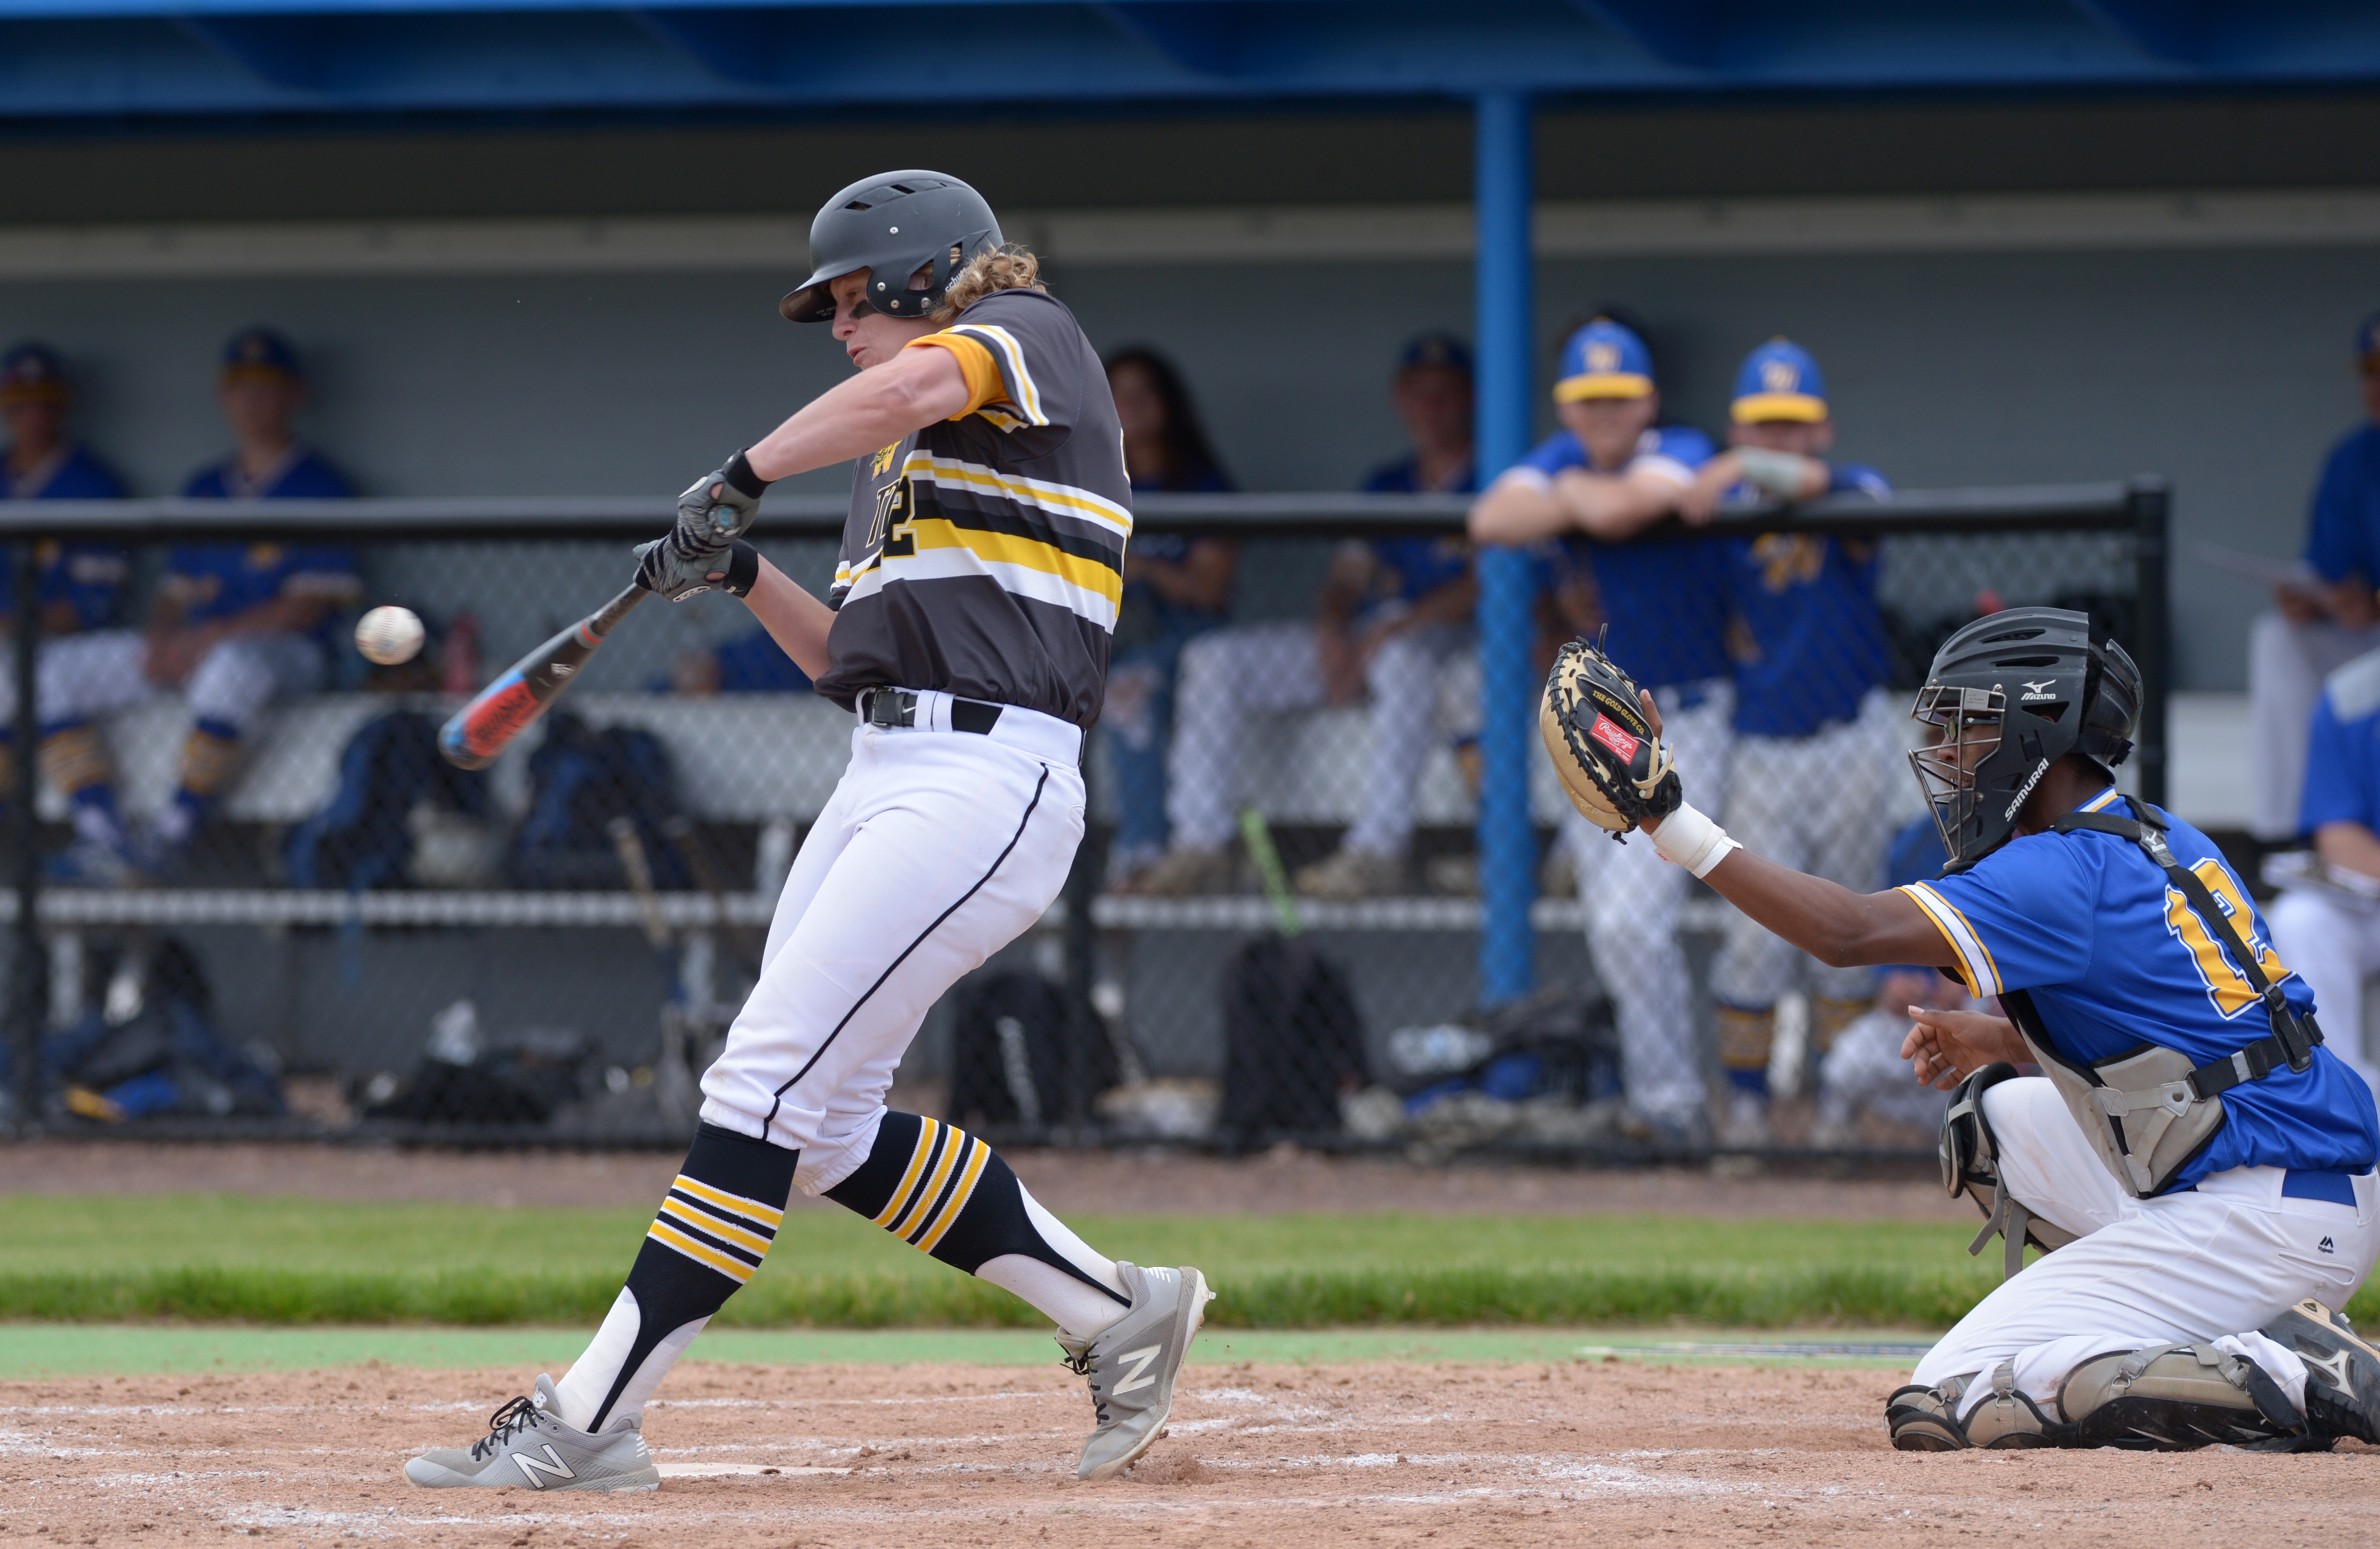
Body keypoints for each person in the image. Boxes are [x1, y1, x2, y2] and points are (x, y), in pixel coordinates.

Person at [403, 170, 1208, 1494]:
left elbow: (899, 388)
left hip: (986, 777)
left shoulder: (1029, 336)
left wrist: (741, 473)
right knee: (822, 1128)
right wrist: (736, 567)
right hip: (888, 761)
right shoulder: (903, 460)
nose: (837, 326)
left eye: (848, 299)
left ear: (921, 274)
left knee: (757, 1087)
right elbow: (846, 658)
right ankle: (1115, 1309)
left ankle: (589, 1418)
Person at [1622, 605, 2380, 1451]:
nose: (1948, 757)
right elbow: (2195, 1039)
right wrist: (1998, 1040)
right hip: (2305, 1184)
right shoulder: (2157, 833)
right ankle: (2217, 1314)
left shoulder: (2054, 868)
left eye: (1971, 729)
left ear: (2036, 733)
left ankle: (2288, 1366)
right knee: (1998, 1119)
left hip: (2256, 1214)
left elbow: (1847, 935)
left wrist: (1673, 825)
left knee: (1951, 1396)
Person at [1468, 315, 1723, 1146]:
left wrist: (1568, 502)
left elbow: (1629, 510)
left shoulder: (1681, 444)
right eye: (1589, 401)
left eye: (1620, 399)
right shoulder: (1558, 461)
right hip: (1596, 724)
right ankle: (1658, 1101)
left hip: (1690, 714)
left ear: (1647, 400)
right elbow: (1490, 520)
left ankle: (1675, 1104)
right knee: (1612, 923)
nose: (1606, 415)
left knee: (1631, 920)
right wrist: (1571, 495)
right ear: (1567, 407)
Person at [1137, 335, 1476, 899]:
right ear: (1400, 399)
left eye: (1444, 394)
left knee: (1403, 661)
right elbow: (1346, 578)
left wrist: (1399, 626)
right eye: (1418, 393)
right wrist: (1332, 632)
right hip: (1369, 645)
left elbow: (1488, 583)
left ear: (1469, 399)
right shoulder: (1388, 484)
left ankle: (1376, 851)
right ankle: (1201, 843)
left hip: (1448, 652)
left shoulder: (1492, 475)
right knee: (1213, 659)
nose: (1430, 407)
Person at [27, 329, 361, 879]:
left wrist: (206, 640)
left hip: (289, 654)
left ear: (294, 396)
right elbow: (174, 593)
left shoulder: (321, 484)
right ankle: (103, 832)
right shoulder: (207, 486)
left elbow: (306, 608)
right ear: (223, 397)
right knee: (51, 671)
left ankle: (173, 832)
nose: (251, 402)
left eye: (266, 388)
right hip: (194, 646)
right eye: (240, 388)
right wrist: (162, 638)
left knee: (231, 670)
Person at [1677, 337, 1896, 1145]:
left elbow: (1827, 492)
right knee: (1753, 936)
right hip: (1759, 744)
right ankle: (1747, 1108)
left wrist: (1735, 464)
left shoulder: (1854, 488)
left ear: (1823, 430)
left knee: (1851, 921)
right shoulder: (1721, 516)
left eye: (1794, 425)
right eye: (1763, 425)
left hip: (1851, 734)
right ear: (1739, 424)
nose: (1780, 440)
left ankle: (1839, 1105)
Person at [1100, 346, 1237, 890]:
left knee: (1129, 692)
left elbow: (1211, 589)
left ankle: (1144, 852)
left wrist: (1147, 570)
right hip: (1107, 638)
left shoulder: (1200, 484)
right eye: (1119, 393)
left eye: (1144, 392)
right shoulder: (1086, 483)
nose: (1131, 405)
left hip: (1184, 638)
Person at [2248, 313, 2380, 842]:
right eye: (2369, 370)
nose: (2375, 385)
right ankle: (2288, 835)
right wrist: (2312, 598)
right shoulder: (2353, 459)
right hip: (2366, 638)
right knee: (2277, 637)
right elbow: (2328, 567)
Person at [0, 343, 136, 846]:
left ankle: (102, 834)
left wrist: (13, 628)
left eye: (46, 404)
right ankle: (98, 832)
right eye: (20, 404)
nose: (33, 416)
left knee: (30, 675)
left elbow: (86, 608)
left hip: (75, 651)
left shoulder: (94, 485)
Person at [2264, 645, 2380, 1097]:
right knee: (2303, 918)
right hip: (2372, 900)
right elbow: (2339, 839)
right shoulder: (2353, 695)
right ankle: (2344, 1098)